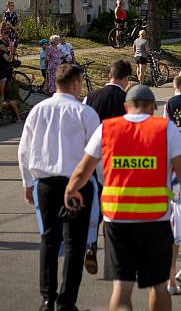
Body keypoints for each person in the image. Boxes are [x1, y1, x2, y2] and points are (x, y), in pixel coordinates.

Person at [65, 84, 181, 311]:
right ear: (152, 107)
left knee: (121, 288)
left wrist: (71, 190)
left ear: (125, 107)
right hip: (155, 219)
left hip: (117, 219)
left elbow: (83, 170)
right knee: (158, 287)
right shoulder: (165, 128)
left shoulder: (106, 129)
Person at [18, 64, 101, 311]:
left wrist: (27, 182)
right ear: (75, 84)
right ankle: (67, 301)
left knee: (49, 239)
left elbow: (24, 149)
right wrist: (104, 183)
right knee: (75, 243)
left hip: (45, 183)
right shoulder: (85, 113)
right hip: (78, 184)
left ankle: (47, 298)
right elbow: (97, 153)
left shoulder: (38, 110)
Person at [83, 59, 133, 275]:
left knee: (95, 205)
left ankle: (90, 243)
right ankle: (117, 256)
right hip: (119, 162)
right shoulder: (126, 99)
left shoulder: (91, 97)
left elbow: (83, 125)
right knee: (117, 210)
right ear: (126, 79)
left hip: (94, 159)